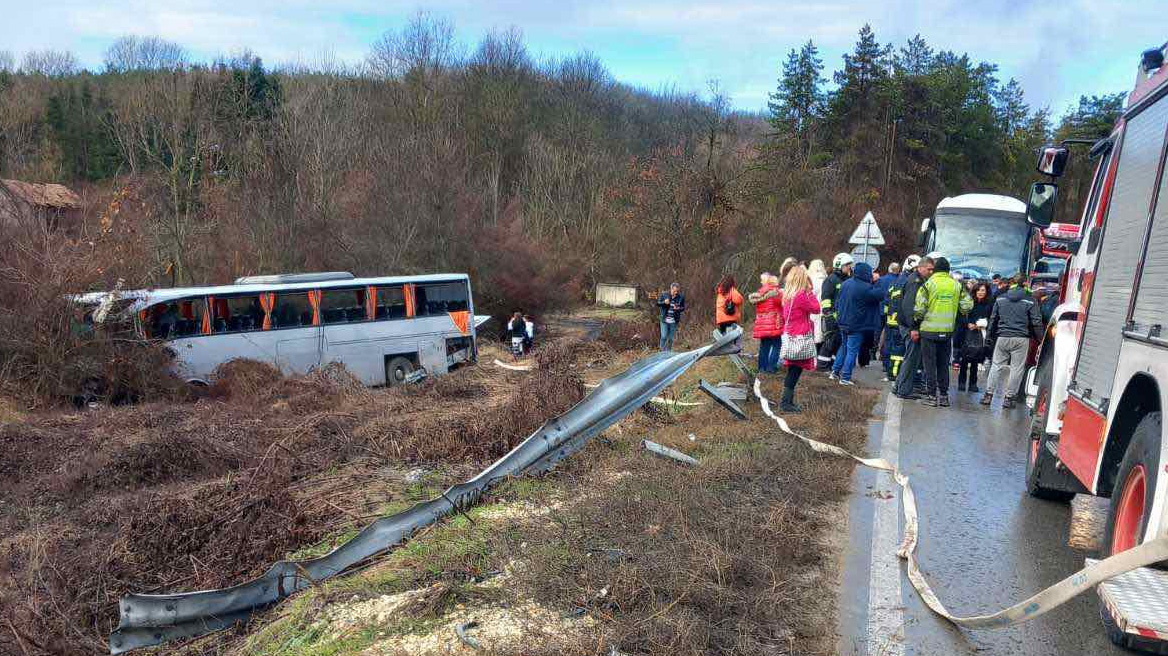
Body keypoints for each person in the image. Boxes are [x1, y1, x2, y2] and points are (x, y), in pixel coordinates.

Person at [913, 257, 973, 407]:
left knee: (929, 365)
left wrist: (916, 322)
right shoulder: (957, 285)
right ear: (948, 270)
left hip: (928, 331)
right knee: (943, 364)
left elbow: (919, 309)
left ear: (935, 269)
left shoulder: (928, 285)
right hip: (947, 331)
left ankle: (932, 396)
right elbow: (967, 305)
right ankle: (944, 396)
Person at [981, 275, 1043, 409]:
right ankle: (1009, 398)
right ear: (1025, 283)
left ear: (1011, 283)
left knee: (996, 365)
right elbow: (1036, 321)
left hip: (1002, 337)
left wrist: (989, 337)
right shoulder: (1030, 300)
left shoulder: (1000, 298)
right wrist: (1041, 339)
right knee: (1016, 369)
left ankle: (988, 395)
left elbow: (993, 319)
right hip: (1021, 339)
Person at [831, 261, 883, 385]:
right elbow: (880, 294)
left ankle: (835, 372)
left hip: (843, 321)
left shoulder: (845, 283)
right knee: (852, 351)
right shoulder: (866, 287)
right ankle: (845, 378)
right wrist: (877, 281)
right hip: (856, 325)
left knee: (843, 347)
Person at [779, 265, 821, 411]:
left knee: (793, 370)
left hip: (791, 335)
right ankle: (785, 403)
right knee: (795, 371)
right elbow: (816, 309)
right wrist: (810, 292)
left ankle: (788, 402)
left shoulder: (787, 295)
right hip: (800, 336)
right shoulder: (800, 296)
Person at [893, 256, 933, 399]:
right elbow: (909, 307)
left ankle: (899, 386)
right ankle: (903, 390)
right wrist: (914, 328)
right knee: (911, 359)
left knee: (910, 357)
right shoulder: (915, 283)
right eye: (929, 269)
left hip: (907, 325)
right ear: (920, 267)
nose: (931, 272)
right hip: (910, 326)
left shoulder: (916, 280)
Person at [816, 253, 853, 371]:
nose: (850, 267)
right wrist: (828, 313)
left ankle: (832, 366)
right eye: (847, 265)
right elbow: (826, 298)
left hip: (842, 318)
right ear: (840, 265)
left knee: (837, 343)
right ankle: (822, 366)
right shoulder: (831, 280)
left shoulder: (847, 279)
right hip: (831, 317)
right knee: (829, 343)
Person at [956, 282, 993, 392]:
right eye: (978, 290)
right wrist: (967, 324)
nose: (980, 292)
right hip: (966, 333)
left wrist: (979, 325)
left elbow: (991, 318)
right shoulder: (969, 302)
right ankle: (961, 383)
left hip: (980, 334)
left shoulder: (989, 304)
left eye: (983, 290)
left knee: (975, 360)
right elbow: (960, 316)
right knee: (964, 359)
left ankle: (973, 384)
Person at [749, 273, 783, 374]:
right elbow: (782, 304)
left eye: (762, 280)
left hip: (762, 323)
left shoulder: (760, 293)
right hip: (774, 322)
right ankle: (771, 367)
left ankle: (761, 368)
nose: (761, 282)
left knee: (764, 346)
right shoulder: (776, 292)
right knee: (777, 345)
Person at [656, 283, 687, 351]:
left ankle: (668, 352)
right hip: (664, 320)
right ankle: (662, 352)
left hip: (674, 321)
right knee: (664, 336)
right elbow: (658, 303)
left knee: (670, 338)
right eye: (674, 291)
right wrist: (664, 302)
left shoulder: (680, 297)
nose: (676, 293)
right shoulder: (664, 294)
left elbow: (683, 307)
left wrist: (678, 308)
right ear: (671, 289)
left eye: (677, 291)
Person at [808, 259, 827, 348]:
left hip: (813, 309)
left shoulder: (811, 280)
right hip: (824, 308)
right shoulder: (826, 280)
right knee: (821, 332)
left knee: (814, 331)